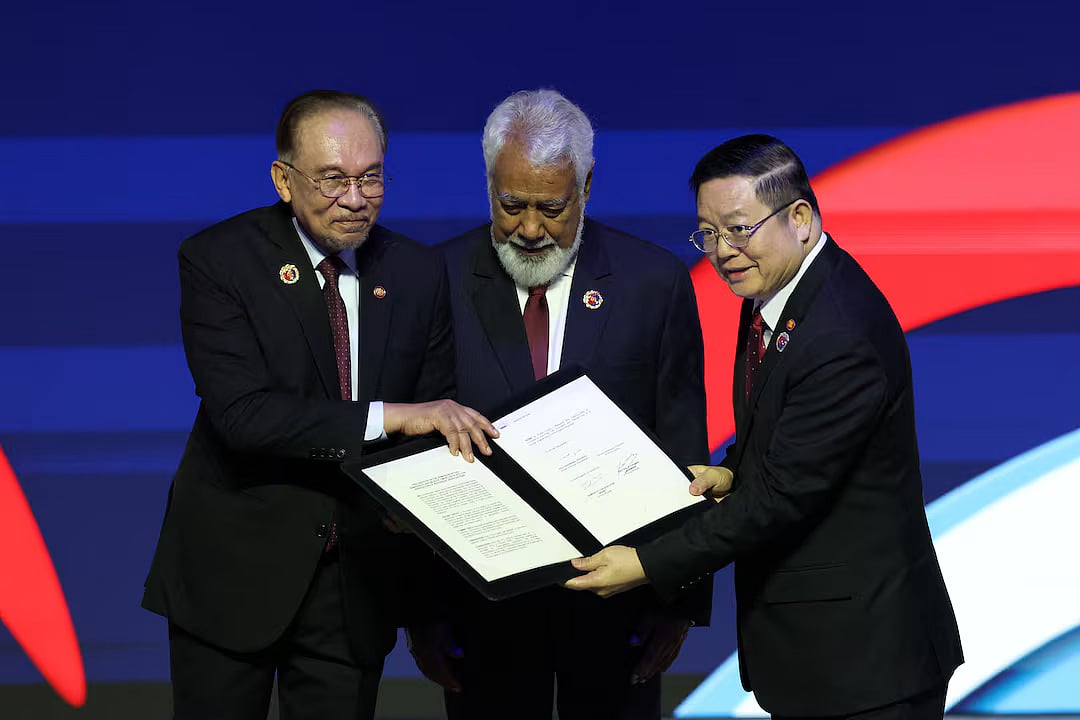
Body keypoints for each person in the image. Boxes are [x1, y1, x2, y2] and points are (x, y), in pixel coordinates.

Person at [566, 135, 963, 719]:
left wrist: (647, 565)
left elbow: (778, 500)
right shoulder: (778, 291)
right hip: (818, 657)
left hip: (867, 665)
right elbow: (781, 429)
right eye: (708, 233)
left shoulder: (840, 335)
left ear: (799, 218)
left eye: (738, 229)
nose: (723, 251)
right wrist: (730, 468)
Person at [142, 89, 497, 720]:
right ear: (284, 180)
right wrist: (391, 416)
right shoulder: (220, 261)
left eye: (371, 178)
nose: (355, 199)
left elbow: (438, 413)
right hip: (234, 574)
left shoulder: (414, 271)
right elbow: (244, 415)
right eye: (333, 179)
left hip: (355, 582)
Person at [407, 89, 711, 720]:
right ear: (488, 183)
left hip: (617, 607)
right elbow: (412, 455)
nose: (529, 228)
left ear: (587, 187)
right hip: (479, 612)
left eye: (551, 207)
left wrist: (677, 602)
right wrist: (421, 615)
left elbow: (684, 443)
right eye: (510, 204)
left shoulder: (653, 282)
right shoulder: (434, 279)